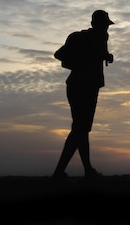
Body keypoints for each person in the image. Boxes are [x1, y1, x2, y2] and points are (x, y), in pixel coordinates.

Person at [52, 10, 114, 180]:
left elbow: (60, 54)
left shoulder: (88, 38)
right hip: (85, 86)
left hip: (77, 85)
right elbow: (60, 55)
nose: (106, 28)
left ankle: (87, 170)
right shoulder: (96, 38)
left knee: (81, 129)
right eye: (105, 25)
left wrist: (101, 56)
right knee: (80, 129)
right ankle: (60, 172)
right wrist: (101, 56)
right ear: (99, 24)